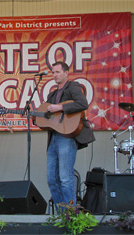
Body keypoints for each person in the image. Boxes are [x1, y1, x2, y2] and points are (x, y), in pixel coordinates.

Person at [45, 61, 95, 210]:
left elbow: (82, 104)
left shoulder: (73, 87)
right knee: (51, 179)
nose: (54, 75)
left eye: (57, 72)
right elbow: (48, 117)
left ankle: (71, 215)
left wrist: (60, 107)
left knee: (65, 178)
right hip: (53, 138)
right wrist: (36, 118)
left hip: (67, 138)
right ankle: (63, 214)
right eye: (53, 72)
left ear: (66, 73)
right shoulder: (52, 94)